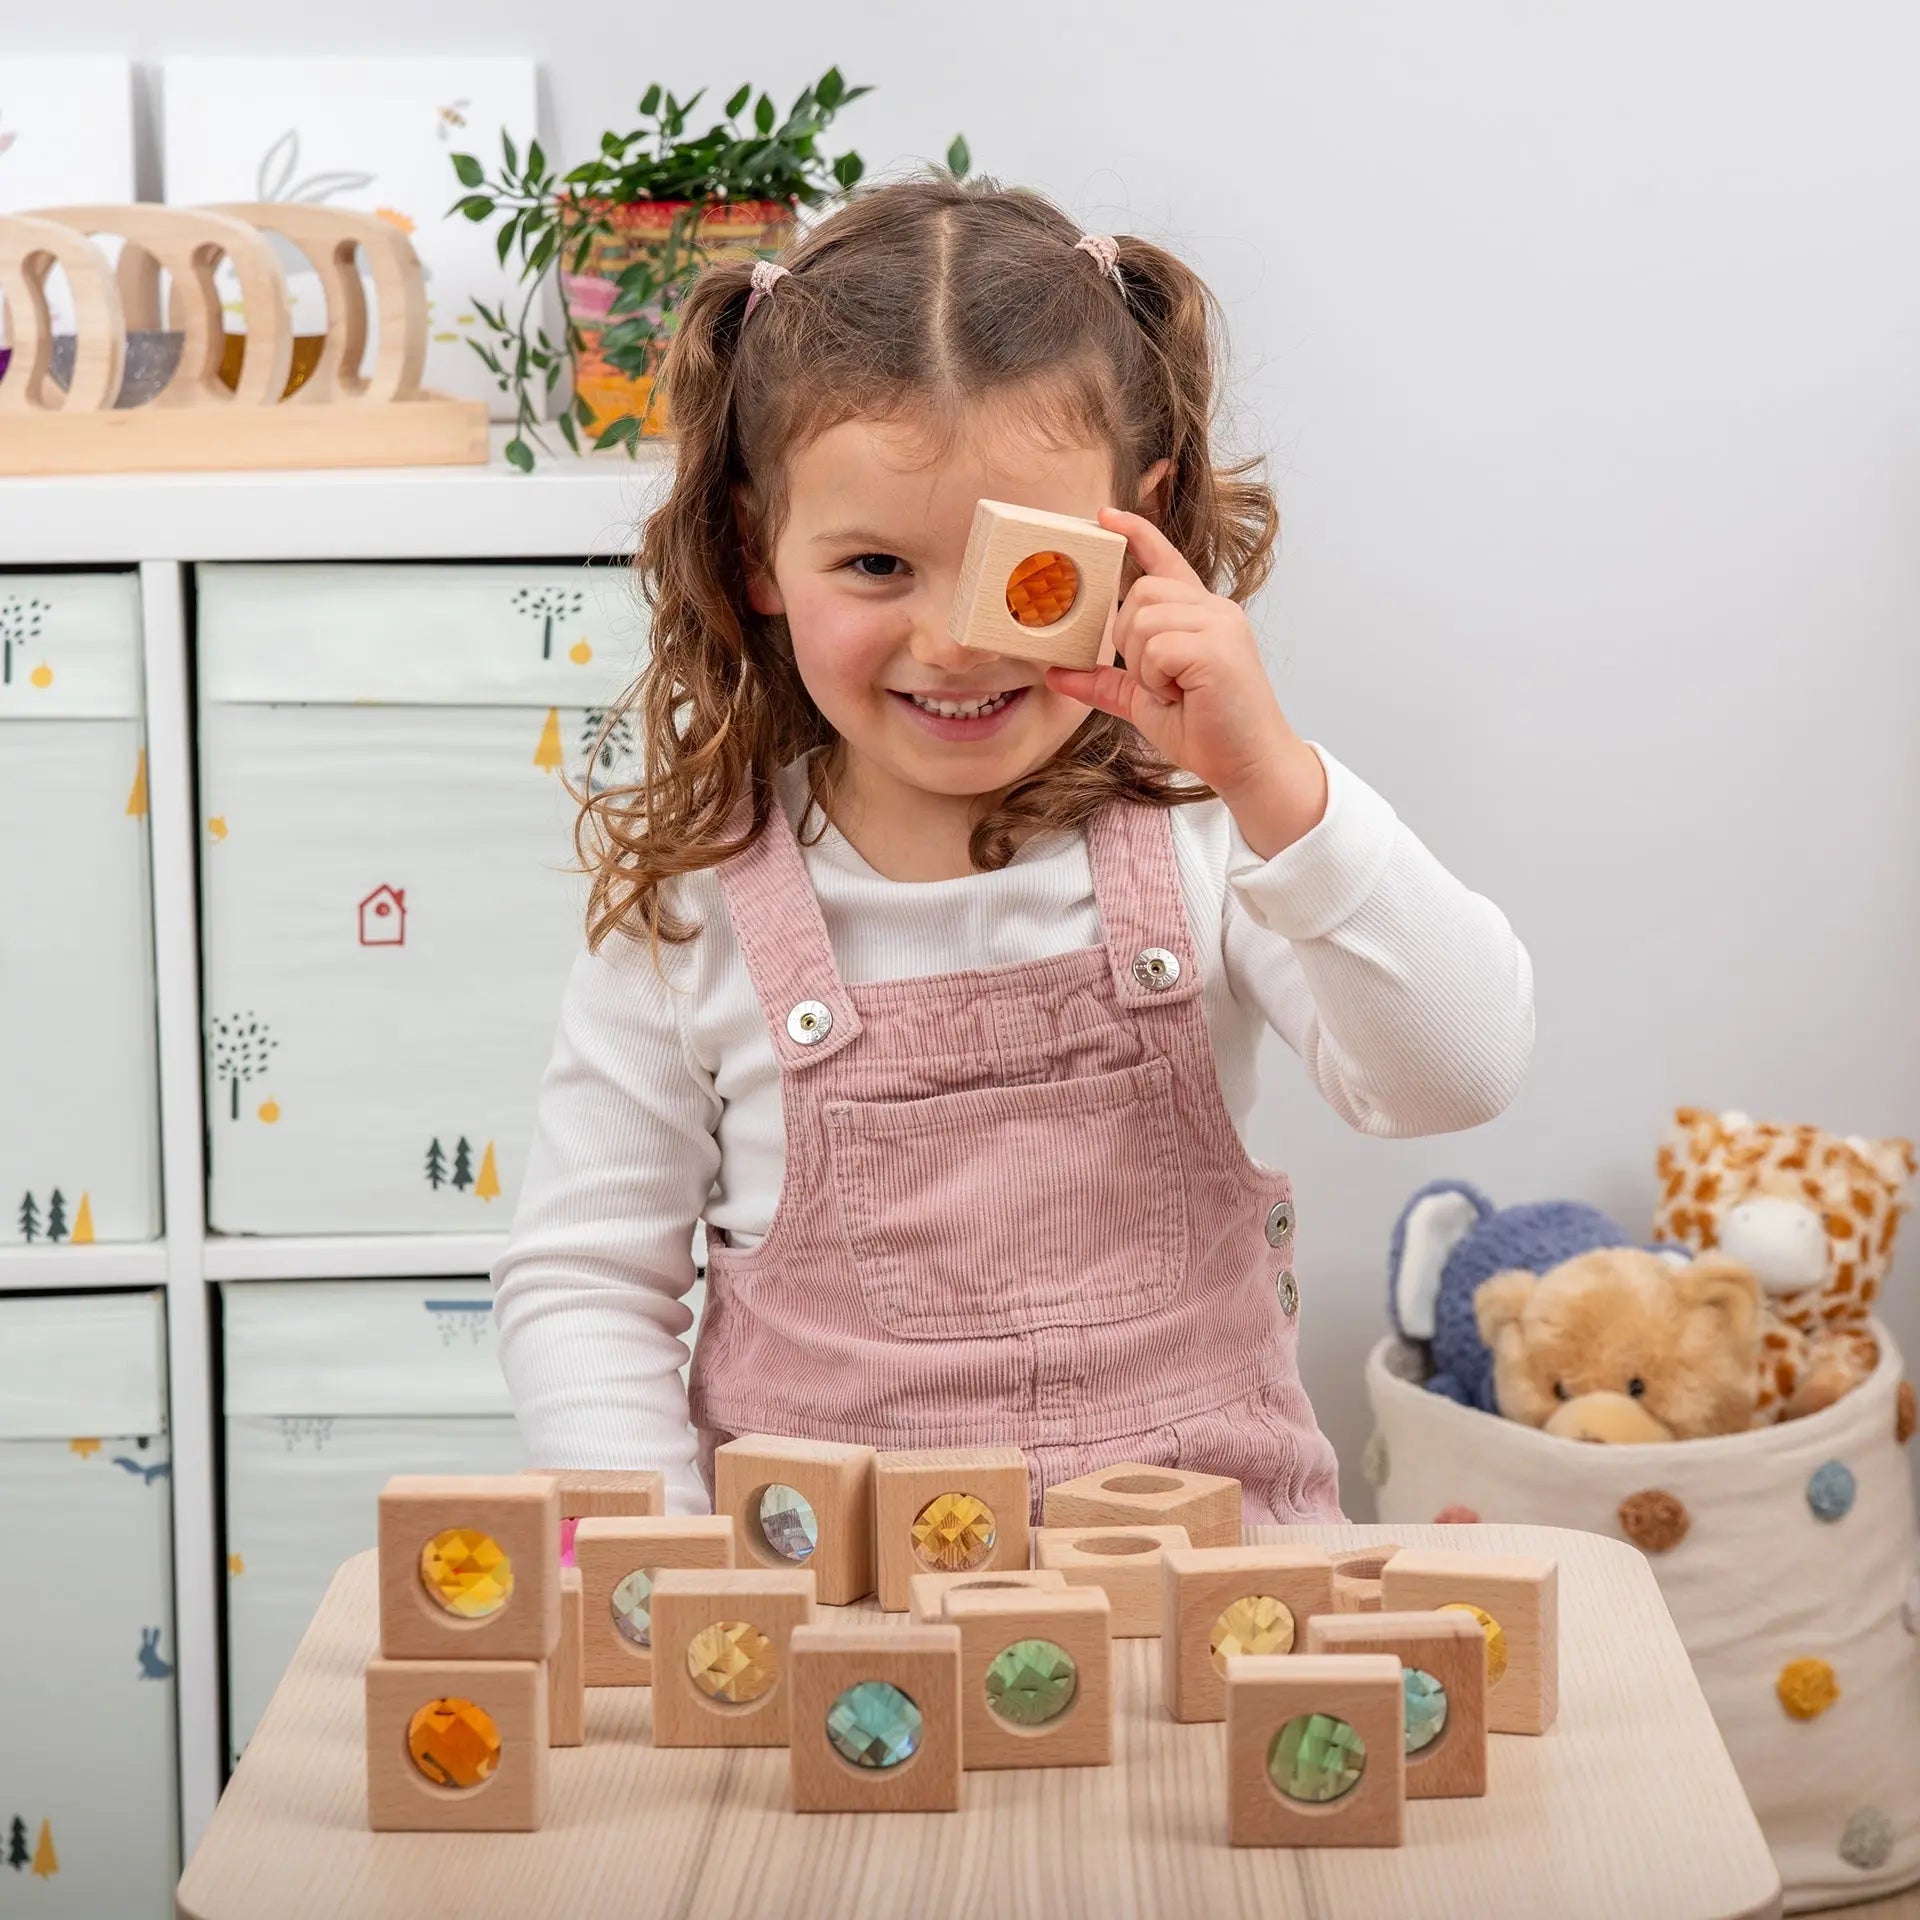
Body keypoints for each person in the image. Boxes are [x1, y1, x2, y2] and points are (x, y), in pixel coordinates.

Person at [493, 174, 1534, 1527]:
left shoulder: (1212, 833)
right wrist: (653, 1590)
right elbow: (585, 1285)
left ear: (1140, 534)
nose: (956, 643)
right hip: (843, 1662)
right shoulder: (696, 914)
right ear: (757, 553)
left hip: (1213, 1627)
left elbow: (1460, 1070)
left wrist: (1273, 776)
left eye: (1021, 569)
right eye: (875, 567)